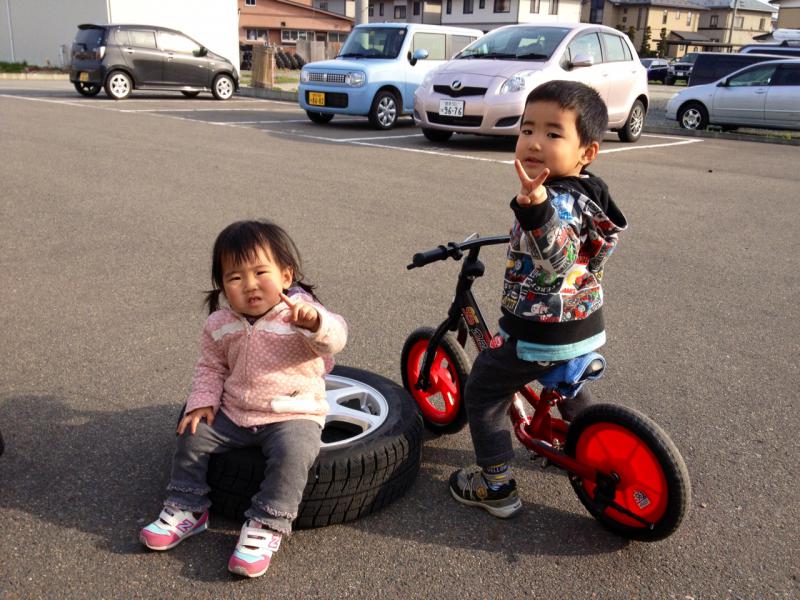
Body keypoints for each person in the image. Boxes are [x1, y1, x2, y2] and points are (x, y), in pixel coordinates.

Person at [449, 80, 628, 519]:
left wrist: (535, 210)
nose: (533, 142)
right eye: (527, 129)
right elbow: (589, 250)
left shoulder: (554, 202)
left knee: (483, 390)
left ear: (587, 151)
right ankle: (583, 439)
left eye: (553, 133)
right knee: (567, 382)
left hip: (541, 330)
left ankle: (495, 484)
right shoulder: (590, 193)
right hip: (582, 323)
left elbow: (560, 255)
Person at [139, 220, 347, 578]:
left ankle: (266, 523)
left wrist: (315, 322)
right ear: (222, 287)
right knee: (192, 432)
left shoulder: (300, 314)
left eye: (260, 272)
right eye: (235, 277)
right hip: (235, 411)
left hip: (291, 410)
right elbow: (211, 367)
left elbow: (335, 339)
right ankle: (187, 507)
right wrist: (202, 401)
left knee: (294, 453)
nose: (249, 284)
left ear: (286, 275)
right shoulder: (220, 324)